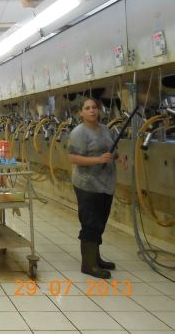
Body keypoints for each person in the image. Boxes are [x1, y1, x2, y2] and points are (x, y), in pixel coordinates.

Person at [68, 97, 117, 279]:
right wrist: (98, 160)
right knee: (90, 222)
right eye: (87, 108)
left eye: (94, 107)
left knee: (100, 221)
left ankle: (96, 258)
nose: (92, 111)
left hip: (105, 184)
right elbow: (72, 157)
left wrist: (119, 158)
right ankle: (88, 264)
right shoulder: (79, 132)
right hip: (87, 184)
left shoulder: (105, 130)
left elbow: (112, 150)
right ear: (81, 112)